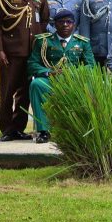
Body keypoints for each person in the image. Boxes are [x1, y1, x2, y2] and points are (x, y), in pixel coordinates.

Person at [0, 0, 49, 141]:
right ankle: (7, 129)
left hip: (32, 54)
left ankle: (18, 128)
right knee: (8, 92)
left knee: (25, 93)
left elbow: (44, 21)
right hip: (11, 53)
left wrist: (40, 48)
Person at [26, 8, 95, 144]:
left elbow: (91, 66)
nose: (65, 25)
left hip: (74, 81)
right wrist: (48, 72)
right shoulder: (43, 41)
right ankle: (44, 131)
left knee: (90, 86)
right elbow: (32, 64)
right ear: (54, 24)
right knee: (36, 84)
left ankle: (80, 129)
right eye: (61, 22)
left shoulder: (82, 42)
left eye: (68, 22)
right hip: (50, 80)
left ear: (74, 24)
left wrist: (74, 73)